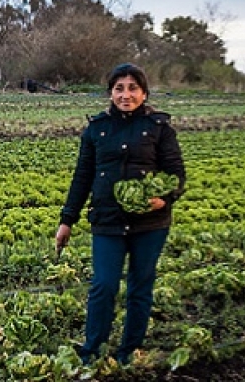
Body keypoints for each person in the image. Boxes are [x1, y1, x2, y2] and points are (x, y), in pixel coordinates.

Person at [54, 63, 186, 365]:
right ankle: (92, 351)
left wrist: (164, 199)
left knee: (140, 287)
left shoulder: (159, 128)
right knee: (104, 285)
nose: (126, 95)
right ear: (111, 92)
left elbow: (176, 174)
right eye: (119, 88)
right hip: (107, 221)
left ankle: (128, 352)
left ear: (144, 92)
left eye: (132, 88)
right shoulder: (97, 128)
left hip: (150, 225)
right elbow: (82, 177)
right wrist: (67, 220)